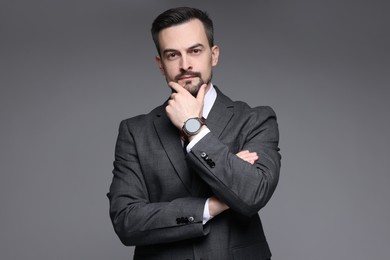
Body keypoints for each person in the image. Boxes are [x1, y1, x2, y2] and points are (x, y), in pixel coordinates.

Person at [107, 6, 281, 260]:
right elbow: (126, 221)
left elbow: (253, 193)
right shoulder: (135, 131)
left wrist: (193, 127)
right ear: (160, 64)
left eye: (195, 51)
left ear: (214, 55)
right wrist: (213, 205)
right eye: (172, 55)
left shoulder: (254, 119)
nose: (185, 64)